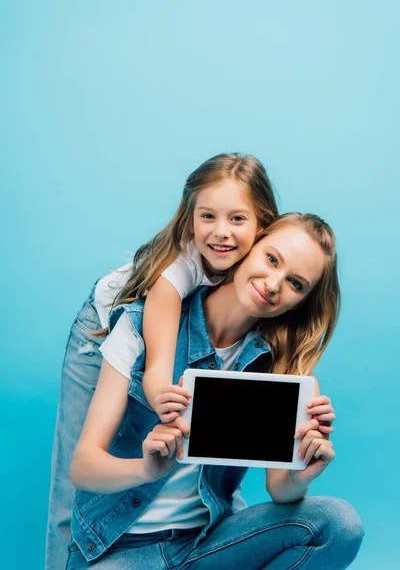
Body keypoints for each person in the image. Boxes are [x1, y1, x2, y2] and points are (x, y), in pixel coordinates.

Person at [66, 212, 364, 569]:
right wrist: (146, 470)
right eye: (271, 259)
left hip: (210, 544)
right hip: (121, 549)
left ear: (300, 301)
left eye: (295, 283)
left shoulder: (283, 370)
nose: (272, 284)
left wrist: (301, 475)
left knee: (339, 523)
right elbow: (83, 467)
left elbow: (280, 491)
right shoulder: (144, 325)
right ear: (250, 246)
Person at [45, 152, 279, 570]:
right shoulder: (183, 258)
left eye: (237, 220)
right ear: (190, 217)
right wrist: (156, 381)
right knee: (74, 477)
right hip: (105, 328)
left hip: (171, 330)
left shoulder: (262, 266)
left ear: (262, 222)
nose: (221, 232)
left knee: (216, 446)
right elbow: (164, 300)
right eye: (207, 216)